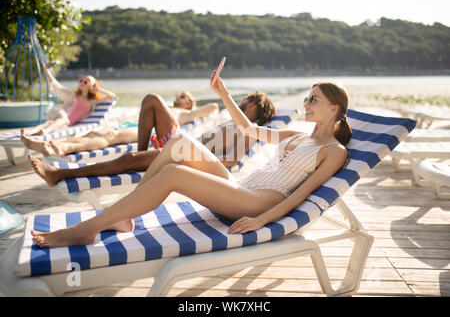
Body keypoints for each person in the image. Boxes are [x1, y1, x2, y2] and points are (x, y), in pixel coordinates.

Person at [31, 72, 351, 248]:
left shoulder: (334, 152)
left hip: (258, 203)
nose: (306, 103)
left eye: (314, 99)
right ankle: (121, 214)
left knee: (174, 174)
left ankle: (90, 228)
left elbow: (302, 193)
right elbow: (249, 129)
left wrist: (263, 220)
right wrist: (223, 92)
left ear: (333, 108)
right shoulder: (296, 133)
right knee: (180, 145)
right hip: (240, 187)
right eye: (307, 97)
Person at [28, 91, 276, 186]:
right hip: (179, 144)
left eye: (249, 101)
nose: (243, 101)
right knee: (151, 100)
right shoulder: (235, 122)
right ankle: (142, 156)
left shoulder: (249, 129)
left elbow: (231, 162)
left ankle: (60, 174)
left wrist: (195, 157)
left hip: (186, 156)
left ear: (258, 108)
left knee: (127, 160)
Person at [21, 91, 219, 156]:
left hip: (155, 134)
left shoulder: (187, 113)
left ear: (189, 103)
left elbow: (212, 106)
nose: (178, 96)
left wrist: (195, 109)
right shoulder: (166, 107)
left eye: (183, 96)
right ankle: (52, 145)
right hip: (137, 126)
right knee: (95, 134)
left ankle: (61, 148)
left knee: (109, 138)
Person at [20, 63, 117, 137]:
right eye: (81, 80)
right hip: (61, 113)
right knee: (63, 120)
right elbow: (56, 84)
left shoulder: (93, 102)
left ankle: (30, 131)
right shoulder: (72, 94)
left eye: (86, 81)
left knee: (50, 123)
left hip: (66, 122)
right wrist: (47, 71)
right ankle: (45, 132)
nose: (82, 82)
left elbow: (112, 97)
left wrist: (99, 89)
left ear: (92, 85)